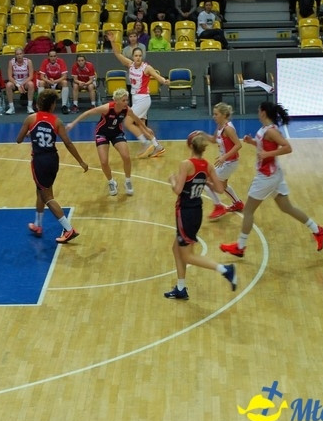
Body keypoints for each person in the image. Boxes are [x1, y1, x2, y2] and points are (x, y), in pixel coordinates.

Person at [220, 102, 323, 258]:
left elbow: (287, 147)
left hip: (266, 176)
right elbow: (265, 145)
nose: (257, 112)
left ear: (263, 112)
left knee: (248, 210)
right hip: (275, 175)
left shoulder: (271, 131)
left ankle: (240, 246)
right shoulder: (266, 129)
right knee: (286, 207)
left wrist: (267, 155)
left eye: (258, 110)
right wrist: (252, 142)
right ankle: (318, 230)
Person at [164, 132, 237, 300]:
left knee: (187, 255)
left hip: (185, 212)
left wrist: (172, 180)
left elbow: (178, 190)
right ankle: (181, 288)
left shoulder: (186, 164)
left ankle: (225, 270)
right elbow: (219, 190)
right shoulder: (207, 165)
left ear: (190, 146)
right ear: (203, 149)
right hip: (197, 211)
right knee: (176, 249)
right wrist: (206, 181)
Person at [16, 89, 88, 244]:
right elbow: (68, 143)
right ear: (53, 105)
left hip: (40, 161)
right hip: (53, 159)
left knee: (47, 196)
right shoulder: (57, 121)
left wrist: (29, 133)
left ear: (38, 103)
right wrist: (81, 161)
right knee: (40, 190)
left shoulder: (31, 119)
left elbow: (18, 139)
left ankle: (69, 230)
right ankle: (38, 225)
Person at [67, 88, 154, 196]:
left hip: (117, 133)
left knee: (126, 157)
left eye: (127, 100)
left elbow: (137, 120)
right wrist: (72, 123)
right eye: (124, 100)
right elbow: (88, 113)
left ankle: (128, 181)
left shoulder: (127, 110)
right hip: (102, 133)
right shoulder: (106, 108)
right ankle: (111, 182)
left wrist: (146, 129)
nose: (126, 102)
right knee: (104, 161)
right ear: (116, 101)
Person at [106, 30, 168, 159]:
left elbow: (158, 76)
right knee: (142, 126)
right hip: (136, 99)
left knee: (127, 121)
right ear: (133, 57)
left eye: (140, 55)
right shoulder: (130, 65)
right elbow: (117, 53)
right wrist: (112, 41)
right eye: (136, 56)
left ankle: (145, 143)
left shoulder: (146, 68)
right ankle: (157, 146)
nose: (138, 57)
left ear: (142, 56)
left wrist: (164, 81)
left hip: (143, 99)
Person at [205, 103, 244, 221]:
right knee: (223, 185)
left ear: (223, 115)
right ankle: (237, 203)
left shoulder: (228, 128)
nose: (214, 116)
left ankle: (218, 207)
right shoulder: (220, 127)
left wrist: (224, 157)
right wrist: (201, 134)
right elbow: (213, 140)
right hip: (226, 162)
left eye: (216, 114)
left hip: (229, 162)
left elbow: (238, 145)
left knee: (206, 182)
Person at [5, 47, 36, 115]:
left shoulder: (28, 61)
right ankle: (11, 108)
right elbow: (10, 77)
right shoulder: (11, 62)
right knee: (8, 85)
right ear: (15, 55)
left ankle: (29, 107)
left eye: (20, 54)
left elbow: (31, 76)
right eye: (17, 54)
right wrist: (18, 85)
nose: (19, 55)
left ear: (23, 54)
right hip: (15, 82)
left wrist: (22, 84)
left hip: (25, 82)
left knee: (31, 84)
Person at [38, 49, 70, 114]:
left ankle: (64, 106)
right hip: (48, 81)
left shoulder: (61, 61)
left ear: (56, 56)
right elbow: (41, 76)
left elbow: (64, 76)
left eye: (54, 56)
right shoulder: (45, 62)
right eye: (51, 56)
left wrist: (55, 81)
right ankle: (41, 106)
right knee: (41, 83)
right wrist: (49, 81)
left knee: (65, 82)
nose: (53, 58)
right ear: (48, 57)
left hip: (58, 81)